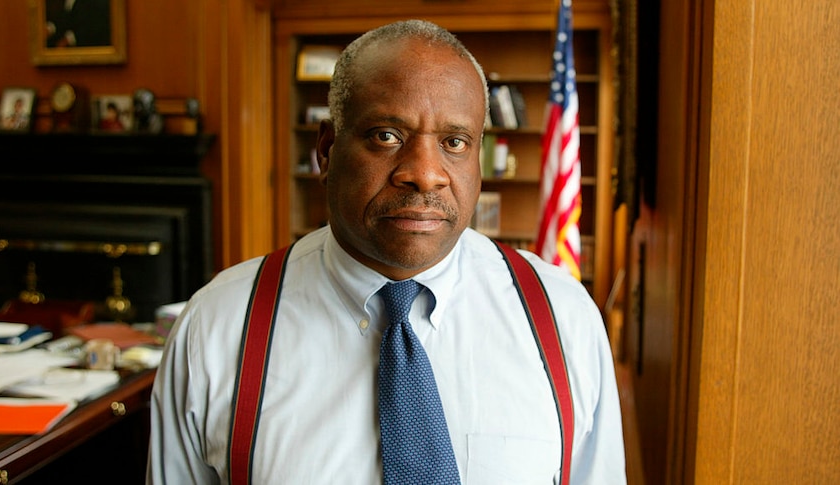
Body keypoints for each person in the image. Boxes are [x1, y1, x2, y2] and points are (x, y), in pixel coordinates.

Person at [148, 19, 626, 484]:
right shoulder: (216, 329)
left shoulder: (564, 319)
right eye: (386, 136)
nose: (424, 172)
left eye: (454, 142)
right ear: (327, 150)